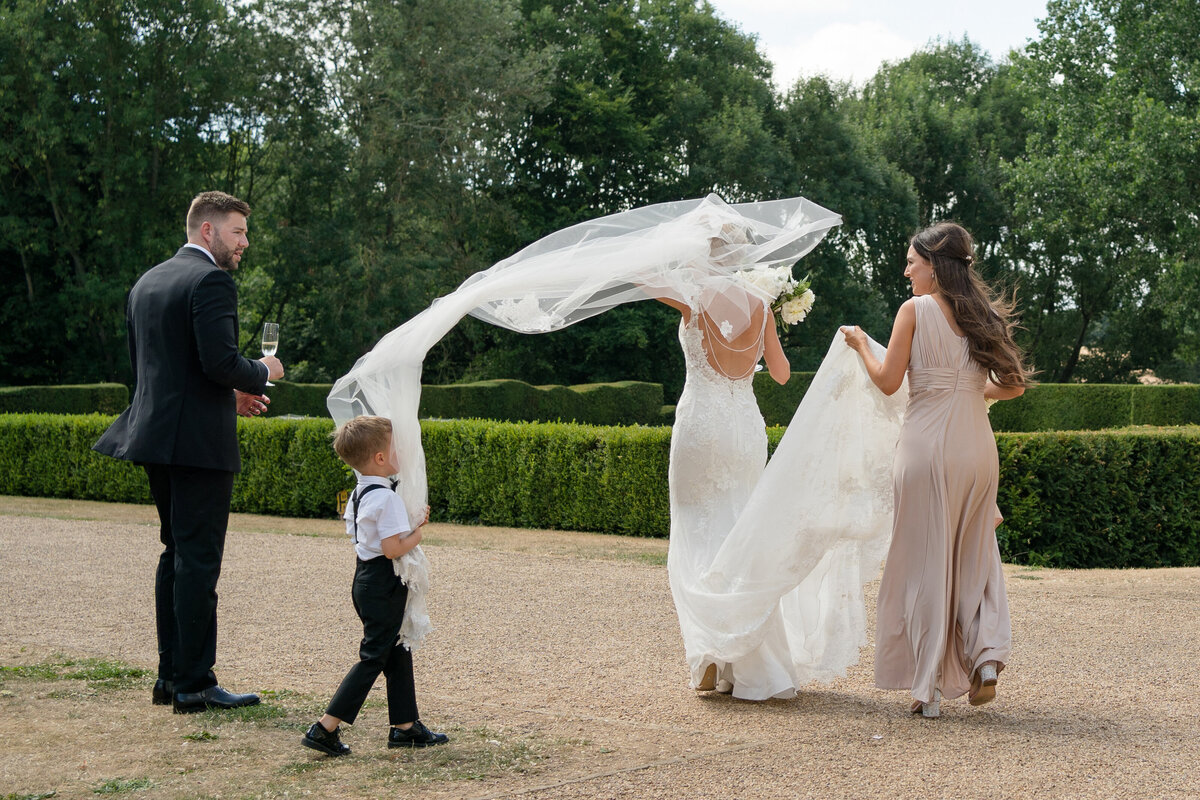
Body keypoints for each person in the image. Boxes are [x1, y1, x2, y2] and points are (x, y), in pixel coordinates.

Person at [93, 190, 284, 713]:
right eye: (238, 231)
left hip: (153, 435)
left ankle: (170, 678)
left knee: (175, 554)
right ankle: (196, 684)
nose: (244, 243)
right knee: (198, 561)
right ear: (208, 231)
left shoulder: (147, 282)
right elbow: (221, 362)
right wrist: (262, 373)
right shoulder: (212, 280)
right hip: (198, 445)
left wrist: (229, 394)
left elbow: (165, 368)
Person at [842, 221, 1030, 718]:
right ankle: (986, 658)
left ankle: (926, 690)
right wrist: (973, 392)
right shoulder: (984, 315)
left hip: (925, 447)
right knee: (977, 554)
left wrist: (861, 343)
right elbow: (1012, 386)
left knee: (926, 561)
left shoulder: (915, 310)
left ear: (934, 266)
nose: (906, 272)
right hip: (976, 450)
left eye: (912, 262)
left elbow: (887, 382)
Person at [301, 416, 448, 757]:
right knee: (373, 656)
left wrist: (409, 527)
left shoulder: (360, 492)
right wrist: (418, 532)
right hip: (383, 583)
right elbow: (393, 548)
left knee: (397, 649)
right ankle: (324, 728)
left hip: (365, 580)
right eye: (395, 447)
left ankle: (406, 726)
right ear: (380, 458)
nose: (401, 452)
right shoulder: (388, 499)